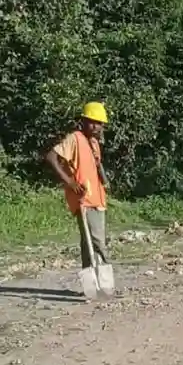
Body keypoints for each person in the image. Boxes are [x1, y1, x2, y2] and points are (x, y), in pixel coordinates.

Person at [45, 102, 111, 271]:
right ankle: (102, 276)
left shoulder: (94, 143)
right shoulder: (74, 139)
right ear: (83, 121)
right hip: (84, 198)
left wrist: (105, 181)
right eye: (92, 122)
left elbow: (96, 165)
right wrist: (69, 182)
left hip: (97, 198)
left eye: (100, 123)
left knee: (89, 240)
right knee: (97, 241)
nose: (97, 126)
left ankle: (90, 279)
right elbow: (51, 157)